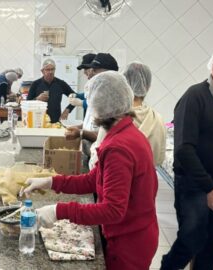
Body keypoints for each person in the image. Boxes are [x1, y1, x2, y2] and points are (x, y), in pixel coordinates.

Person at [22, 71, 159, 270]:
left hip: (129, 243)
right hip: (136, 232)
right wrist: (51, 181)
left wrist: (59, 210)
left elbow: (113, 210)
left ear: (101, 106)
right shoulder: (124, 133)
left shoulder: (118, 148)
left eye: (90, 103)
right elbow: (93, 180)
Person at [160, 44, 213, 270]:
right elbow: (184, 149)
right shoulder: (195, 97)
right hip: (194, 185)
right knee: (191, 241)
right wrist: (209, 189)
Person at [88, 61, 166, 169]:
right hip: (144, 182)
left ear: (123, 85)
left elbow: (96, 162)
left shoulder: (113, 118)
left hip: (113, 180)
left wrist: (92, 148)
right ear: (148, 87)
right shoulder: (158, 119)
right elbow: (159, 159)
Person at [65, 53, 119, 157]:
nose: (89, 74)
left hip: (102, 157)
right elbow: (93, 123)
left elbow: (105, 137)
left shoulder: (112, 102)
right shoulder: (97, 95)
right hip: (91, 154)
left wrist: (81, 133)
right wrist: (79, 127)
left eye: (94, 70)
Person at [27, 58, 76, 123]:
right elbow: (27, 103)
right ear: (42, 71)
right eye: (47, 69)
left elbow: (75, 96)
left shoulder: (61, 83)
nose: (50, 72)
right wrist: (37, 99)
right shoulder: (36, 84)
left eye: (52, 69)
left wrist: (67, 110)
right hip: (38, 121)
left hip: (56, 121)